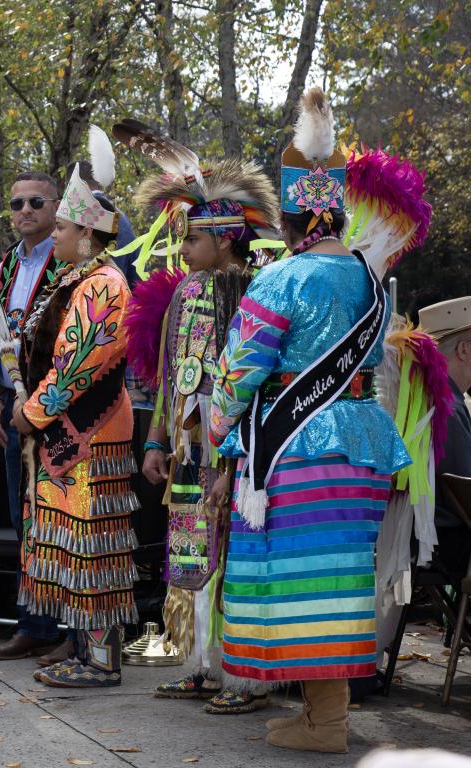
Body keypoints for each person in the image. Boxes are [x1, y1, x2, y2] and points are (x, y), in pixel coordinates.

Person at [207, 89, 413, 753]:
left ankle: (327, 724)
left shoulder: (281, 279)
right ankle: (326, 714)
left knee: (297, 579)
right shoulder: (365, 276)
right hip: (358, 440)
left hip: (297, 448)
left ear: (290, 221)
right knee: (334, 577)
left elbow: (241, 372)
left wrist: (213, 431)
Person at [125, 155, 280, 713]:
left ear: (225, 237)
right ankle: (201, 664)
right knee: (191, 551)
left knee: (236, 552)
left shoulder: (254, 290)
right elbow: (171, 375)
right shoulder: (186, 295)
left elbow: (253, 381)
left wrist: (233, 456)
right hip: (189, 447)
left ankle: (245, 674)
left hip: (236, 449)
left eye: (192, 238)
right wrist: (156, 440)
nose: (183, 249)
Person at [9, 163, 138, 687]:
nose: (53, 233)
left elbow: (77, 365)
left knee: (94, 540)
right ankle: (86, 651)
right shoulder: (76, 281)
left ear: (87, 236)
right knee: (73, 542)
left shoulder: (103, 286)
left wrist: (29, 414)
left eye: (61, 226)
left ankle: (102, 660)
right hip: (67, 432)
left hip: (91, 432)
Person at [0, 170, 67, 662]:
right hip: (15, 411)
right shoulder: (5, 269)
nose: (25, 210)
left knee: (68, 519)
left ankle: (77, 633)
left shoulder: (74, 259)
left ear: (56, 206)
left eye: (36, 201)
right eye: (16, 204)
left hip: (65, 411)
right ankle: (34, 624)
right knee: (25, 522)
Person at [418, 296, 471, 581]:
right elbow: (465, 485)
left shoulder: (426, 397)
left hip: (432, 539)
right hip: (449, 542)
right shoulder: (447, 405)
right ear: (464, 349)